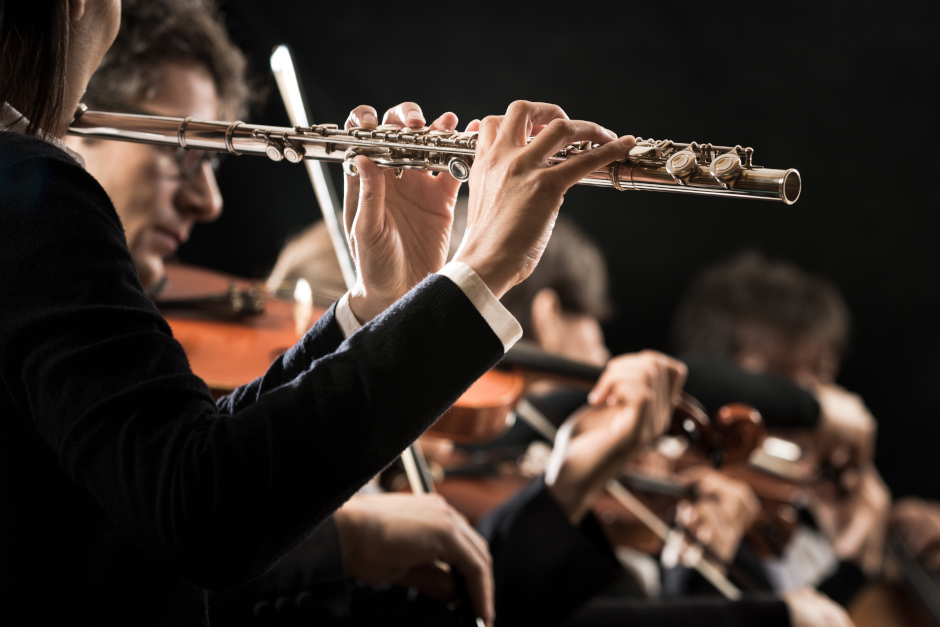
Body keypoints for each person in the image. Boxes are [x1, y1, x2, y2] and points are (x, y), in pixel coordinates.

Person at [0, 1, 640, 625]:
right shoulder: (27, 184)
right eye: (188, 152)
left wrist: (384, 311)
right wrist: (481, 269)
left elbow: (157, 488)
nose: (211, 201)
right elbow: (202, 511)